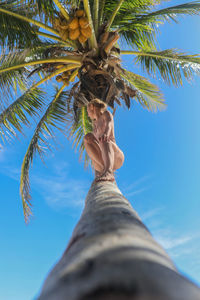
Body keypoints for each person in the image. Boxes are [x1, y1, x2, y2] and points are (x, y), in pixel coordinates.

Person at [84, 99, 124, 181]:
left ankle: (108, 172)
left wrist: (106, 132)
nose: (88, 115)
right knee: (87, 137)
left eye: (88, 111)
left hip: (115, 157)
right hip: (101, 162)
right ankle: (104, 169)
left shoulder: (106, 114)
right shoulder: (94, 124)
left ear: (92, 107)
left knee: (104, 139)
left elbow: (109, 124)